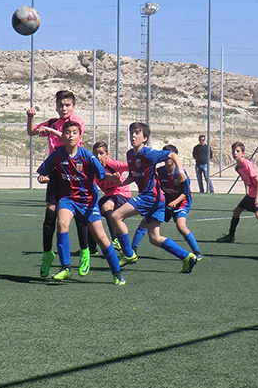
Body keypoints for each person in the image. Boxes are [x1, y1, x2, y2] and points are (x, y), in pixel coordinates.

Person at [35, 122, 126, 285]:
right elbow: (42, 174)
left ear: (79, 137)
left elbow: (103, 175)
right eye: (67, 132)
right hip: (68, 199)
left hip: (88, 201)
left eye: (74, 132)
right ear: (62, 136)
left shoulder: (87, 156)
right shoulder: (57, 155)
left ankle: (117, 273)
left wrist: (115, 179)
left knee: (101, 237)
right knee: (62, 223)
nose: (70, 135)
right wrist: (42, 178)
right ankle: (66, 268)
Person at [110, 122, 200, 273]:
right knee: (154, 238)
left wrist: (181, 171)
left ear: (144, 138)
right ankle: (187, 256)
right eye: (132, 132)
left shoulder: (148, 153)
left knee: (115, 216)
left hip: (150, 197)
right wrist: (122, 182)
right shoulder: (130, 155)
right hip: (157, 200)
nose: (133, 135)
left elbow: (172, 154)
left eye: (137, 133)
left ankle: (128, 254)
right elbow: (133, 176)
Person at [26, 90, 90, 278]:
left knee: (79, 216)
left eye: (67, 105)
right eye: (61, 105)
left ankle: (85, 252)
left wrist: (51, 131)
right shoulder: (53, 122)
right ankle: (48, 254)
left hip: (75, 173)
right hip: (56, 172)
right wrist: (30, 118)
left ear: (73, 107)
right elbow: (32, 131)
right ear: (56, 107)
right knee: (50, 216)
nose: (64, 108)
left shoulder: (76, 123)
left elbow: (68, 140)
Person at [216, 142, 258, 245]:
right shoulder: (237, 167)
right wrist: (247, 189)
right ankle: (231, 236)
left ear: (243, 154)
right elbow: (245, 179)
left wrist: (257, 198)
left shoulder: (247, 165)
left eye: (238, 151)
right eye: (233, 151)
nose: (235, 153)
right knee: (236, 211)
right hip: (251, 193)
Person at [91, 141, 131, 251]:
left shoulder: (113, 165)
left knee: (106, 207)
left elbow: (131, 166)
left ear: (107, 155)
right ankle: (91, 247)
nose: (98, 156)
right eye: (96, 154)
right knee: (89, 213)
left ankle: (116, 240)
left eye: (101, 153)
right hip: (109, 196)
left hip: (122, 194)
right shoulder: (93, 168)